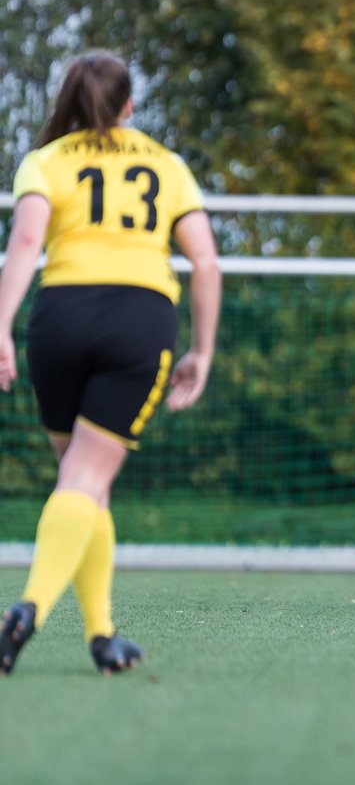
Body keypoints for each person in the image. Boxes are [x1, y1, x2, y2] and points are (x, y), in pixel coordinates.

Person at [0, 51, 222, 675]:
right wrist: (201, 350)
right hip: (138, 317)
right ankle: (28, 610)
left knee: (79, 479)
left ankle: (103, 635)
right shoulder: (166, 164)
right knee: (85, 481)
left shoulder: (44, 161)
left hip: (58, 318)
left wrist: (0, 327)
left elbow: (23, 245)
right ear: (129, 104)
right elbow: (206, 263)